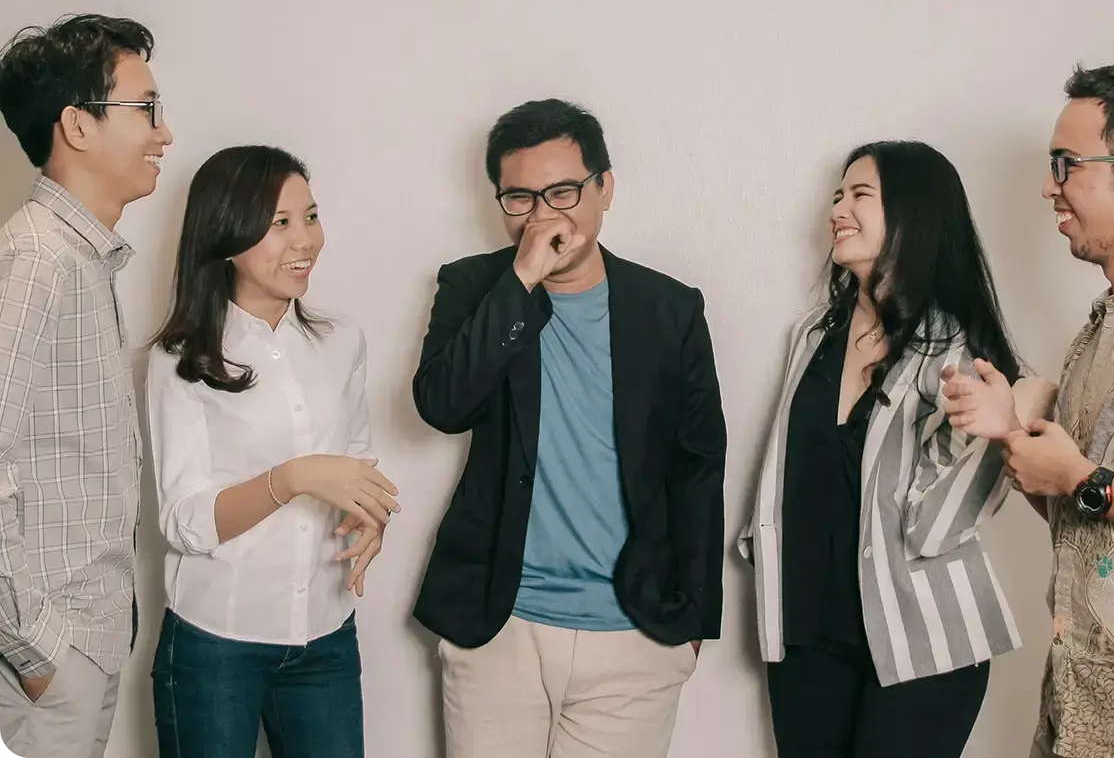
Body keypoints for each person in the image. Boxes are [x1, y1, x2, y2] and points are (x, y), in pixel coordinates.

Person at [411, 98, 726, 758]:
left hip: (632, 632)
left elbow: (697, 464)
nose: (544, 214)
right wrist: (522, 278)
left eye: (562, 191)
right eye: (520, 198)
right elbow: (443, 406)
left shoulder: (668, 309)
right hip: (499, 626)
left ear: (604, 187)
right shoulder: (474, 287)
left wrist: (693, 617)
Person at [739, 141, 1057, 758]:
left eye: (860, 195)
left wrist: (986, 429)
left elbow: (934, 528)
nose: (838, 209)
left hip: (923, 644)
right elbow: (786, 471)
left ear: (915, 216)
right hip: (804, 636)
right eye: (837, 194)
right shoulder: (812, 335)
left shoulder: (966, 356)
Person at [942, 64, 1114, 758]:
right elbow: (1086, 525)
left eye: (1067, 163)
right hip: (1074, 719)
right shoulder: (1098, 331)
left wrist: (1085, 478)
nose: (1048, 186)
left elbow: (1092, 489)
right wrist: (1019, 441)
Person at [145, 145, 399, 758]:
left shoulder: (343, 340)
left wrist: (372, 518)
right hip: (215, 645)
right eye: (278, 223)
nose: (304, 240)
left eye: (309, 217)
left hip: (327, 637)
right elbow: (183, 524)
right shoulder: (177, 361)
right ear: (226, 233)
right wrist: (292, 478)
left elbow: (358, 464)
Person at [0, 14, 173, 757]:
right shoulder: (36, 258)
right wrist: (35, 648)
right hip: (47, 654)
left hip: (86, 637)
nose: (163, 133)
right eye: (146, 109)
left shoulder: (80, 257)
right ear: (76, 124)